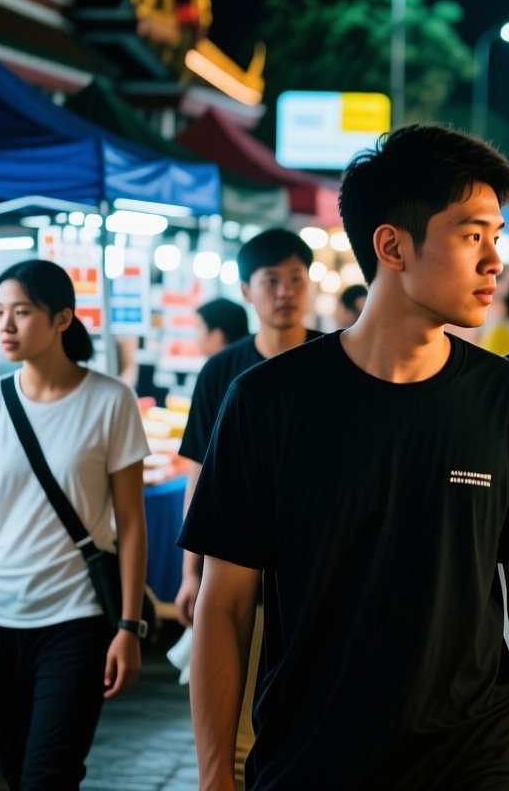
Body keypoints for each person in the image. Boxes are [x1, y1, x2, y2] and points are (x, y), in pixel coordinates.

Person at [179, 124, 509, 791]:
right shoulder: (268, 400)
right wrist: (217, 776)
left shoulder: (507, 398)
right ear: (392, 245)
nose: (494, 262)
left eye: (496, 238)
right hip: (311, 759)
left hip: (473, 761)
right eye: (470, 234)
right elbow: (224, 606)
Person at [0, 260, 150, 790]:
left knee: (48, 777)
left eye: (22, 313)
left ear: (62, 319)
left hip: (76, 619)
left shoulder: (109, 401)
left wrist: (128, 627)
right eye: (0, 312)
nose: (5, 326)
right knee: (16, 772)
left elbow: (132, 522)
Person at [173, 229, 323, 790]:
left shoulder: (337, 358)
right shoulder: (223, 371)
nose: (285, 291)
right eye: (271, 281)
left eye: (295, 279)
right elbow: (200, 473)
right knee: (237, 733)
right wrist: (191, 572)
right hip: (241, 573)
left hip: (314, 575)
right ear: (246, 290)